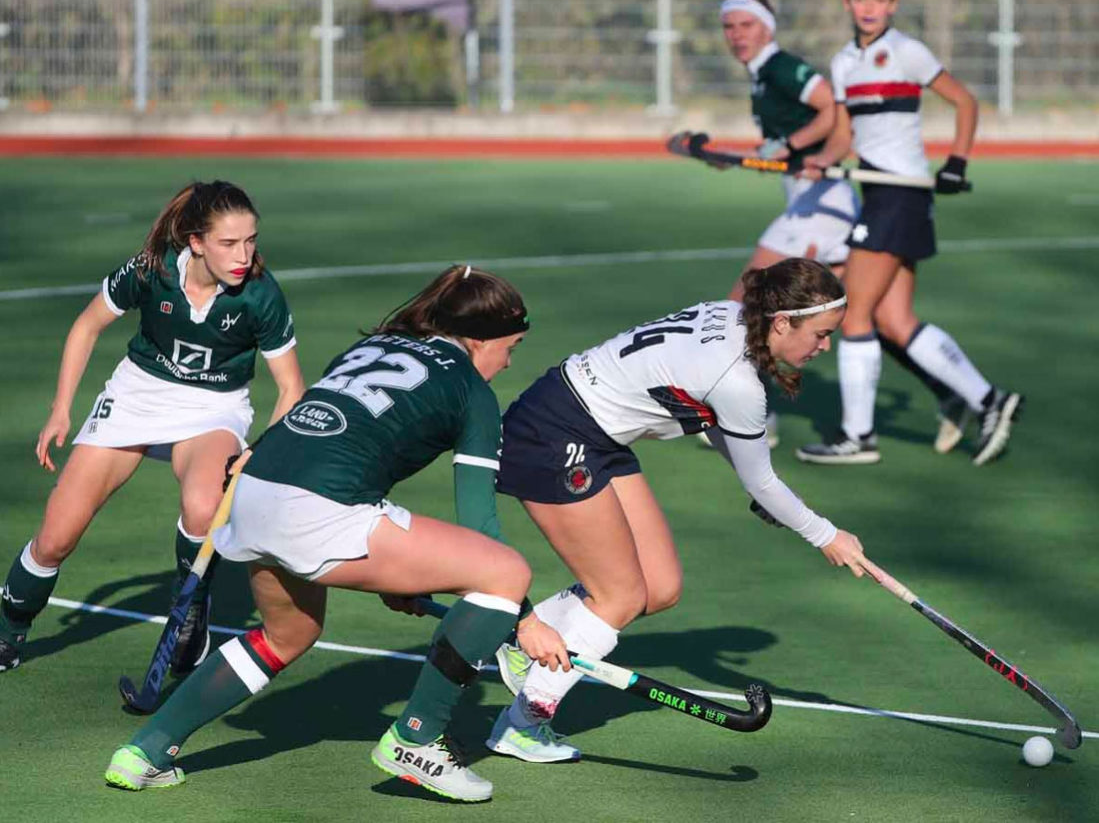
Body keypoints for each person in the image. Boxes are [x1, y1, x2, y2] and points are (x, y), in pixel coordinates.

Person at [104, 265, 570, 804]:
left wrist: (398, 574)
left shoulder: (372, 347)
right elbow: (480, 526)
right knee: (506, 572)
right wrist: (525, 618)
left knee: (287, 634)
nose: (508, 361)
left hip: (254, 493)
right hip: (319, 510)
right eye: (510, 347)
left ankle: (145, 751)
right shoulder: (472, 391)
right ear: (480, 339)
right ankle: (416, 741)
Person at [484, 258, 880, 763]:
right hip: (554, 434)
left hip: (599, 433)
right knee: (621, 596)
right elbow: (759, 476)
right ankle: (523, 724)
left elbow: (713, 421)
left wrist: (771, 500)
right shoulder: (737, 381)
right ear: (782, 322)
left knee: (660, 587)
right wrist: (825, 535)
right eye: (821, 334)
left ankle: (525, 641)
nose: (824, 347)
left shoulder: (733, 315)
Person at [0, 181, 304, 675]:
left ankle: (190, 612)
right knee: (55, 539)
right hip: (137, 395)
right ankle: (9, 627)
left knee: (203, 509)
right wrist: (61, 408)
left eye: (250, 240)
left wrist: (260, 452)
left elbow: (291, 388)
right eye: (229, 243)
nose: (243, 255)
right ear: (196, 242)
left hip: (214, 407)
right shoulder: (152, 269)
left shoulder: (260, 293)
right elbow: (87, 325)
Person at [716, 0, 961, 452]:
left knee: (744, 302)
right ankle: (950, 394)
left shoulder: (781, 67)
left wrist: (789, 145)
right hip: (815, 201)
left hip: (821, 206)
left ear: (767, 28)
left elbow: (829, 108)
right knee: (872, 318)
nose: (737, 35)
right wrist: (737, 156)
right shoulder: (762, 75)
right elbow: (785, 147)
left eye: (746, 24)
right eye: (729, 27)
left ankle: (756, 418)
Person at [795, 0, 1022, 466]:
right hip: (879, 193)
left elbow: (965, 102)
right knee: (894, 320)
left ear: (892, 5)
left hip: (902, 195)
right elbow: (844, 134)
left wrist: (956, 162)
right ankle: (990, 401)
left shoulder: (907, 52)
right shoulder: (844, 62)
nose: (869, 7)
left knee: (854, 311)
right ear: (847, 3)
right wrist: (821, 161)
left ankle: (858, 437)